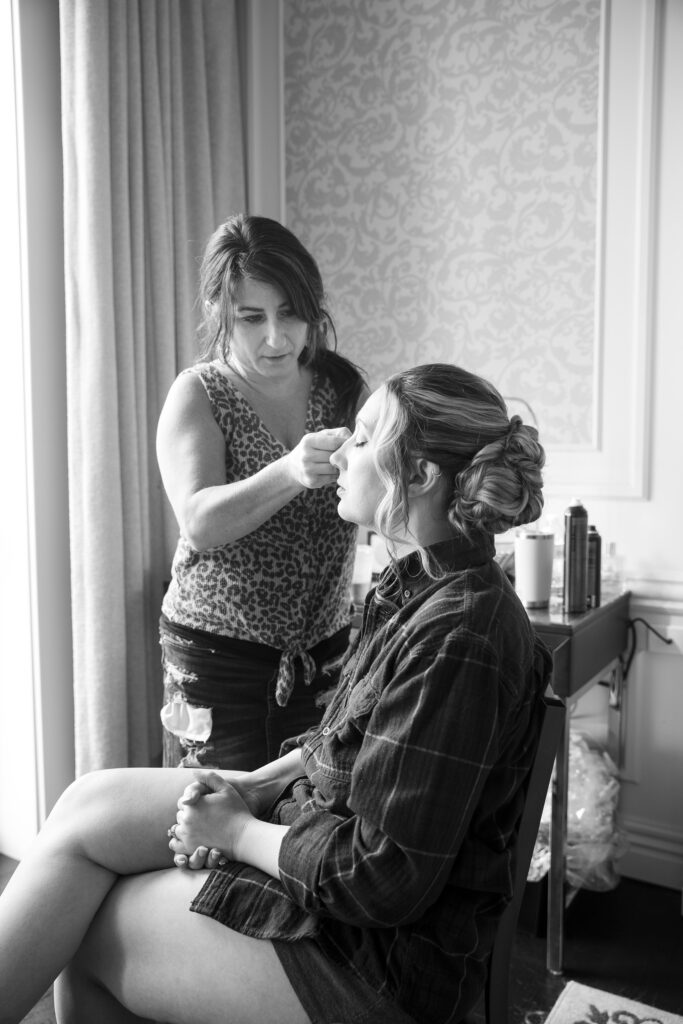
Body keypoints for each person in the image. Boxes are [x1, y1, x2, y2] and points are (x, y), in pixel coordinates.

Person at [0, 363, 552, 1024]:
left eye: (365, 437)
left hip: (375, 961)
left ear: (420, 476)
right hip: (330, 849)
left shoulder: (460, 638)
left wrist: (236, 833)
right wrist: (258, 786)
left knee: (89, 932)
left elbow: (381, 878)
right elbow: (340, 740)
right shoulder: (412, 586)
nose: (342, 450)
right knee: (90, 803)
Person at [157, 213, 368, 770]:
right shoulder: (197, 394)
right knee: (210, 829)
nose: (276, 338)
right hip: (214, 659)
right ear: (218, 313)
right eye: (252, 318)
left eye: (291, 313)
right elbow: (199, 522)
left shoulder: (343, 389)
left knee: (301, 823)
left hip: (322, 657)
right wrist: (291, 471)